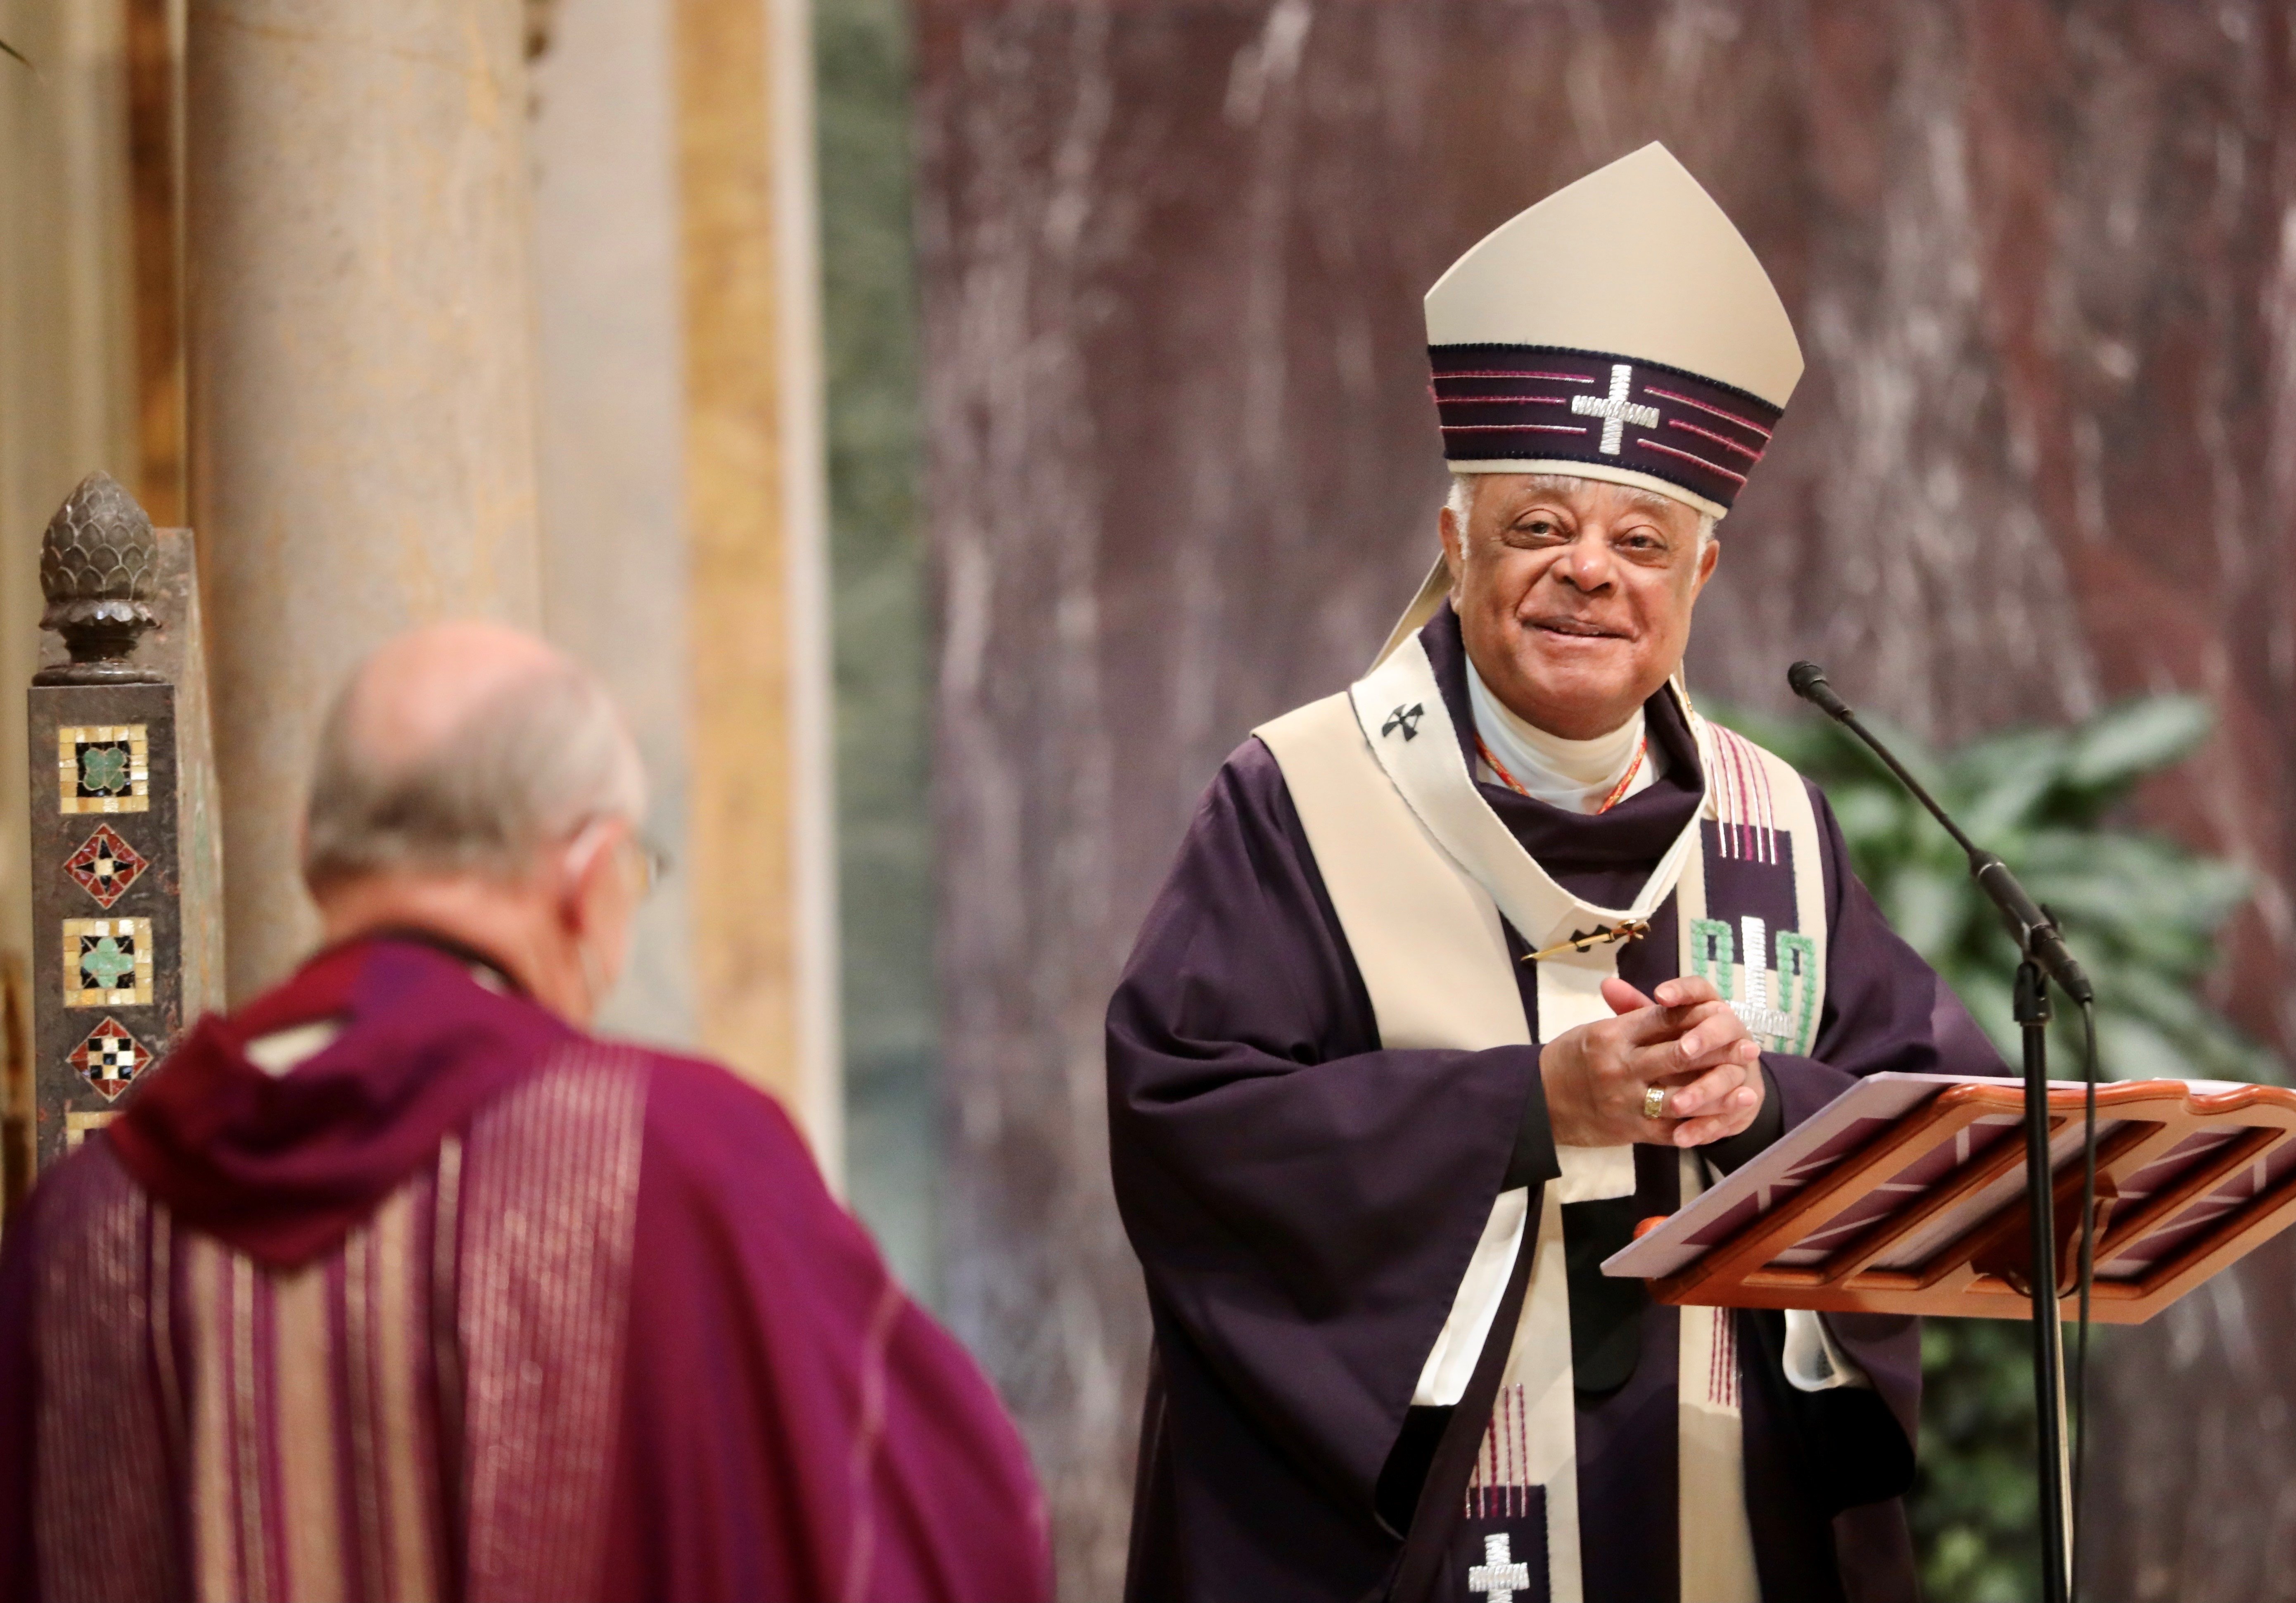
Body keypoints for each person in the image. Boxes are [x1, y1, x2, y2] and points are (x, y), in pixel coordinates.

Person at [1108, 143, 2007, 1603]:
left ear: (1698, 581)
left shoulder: (1771, 824)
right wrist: (1528, 1108)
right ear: (1453, 542)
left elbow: (1924, 1123)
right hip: (1424, 1530)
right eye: (1537, 527)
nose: (1589, 571)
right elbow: (1190, 1131)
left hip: (1728, 1501)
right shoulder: (1301, 799)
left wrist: (1760, 1102)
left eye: (1639, 540)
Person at [0, 622, 1050, 1603]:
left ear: (311, 848)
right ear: (587, 879)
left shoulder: (82, 1232)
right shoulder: (681, 1163)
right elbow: (947, 1527)